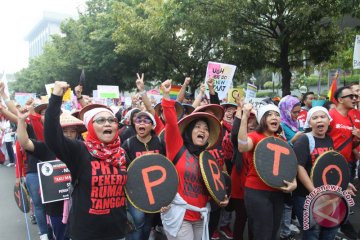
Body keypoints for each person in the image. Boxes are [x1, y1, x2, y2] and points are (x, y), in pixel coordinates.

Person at [44, 81, 129, 240]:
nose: (107, 123)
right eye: (101, 120)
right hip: (86, 233)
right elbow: (51, 136)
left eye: (111, 120)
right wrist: (55, 98)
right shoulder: (79, 150)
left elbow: (137, 188)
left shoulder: (123, 153)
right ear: (90, 126)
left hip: (117, 232)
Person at [160, 79, 228, 240]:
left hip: (201, 216)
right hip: (179, 215)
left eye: (206, 129)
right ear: (189, 130)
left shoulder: (208, 158)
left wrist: (222, 197)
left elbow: (215, 184)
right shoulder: (177, 147)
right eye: (198, 127)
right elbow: (170, 122)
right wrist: (166, 95)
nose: (202, 131)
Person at [292, 106, 356, 240]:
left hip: (329, 197)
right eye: (315, 118)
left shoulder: (329, 139)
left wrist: (344, 183)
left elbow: (330, 167)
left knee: (330, 231)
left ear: (328, 120)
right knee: (312, 234)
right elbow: (299, 167)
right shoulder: (304, 140)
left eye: (322, 117)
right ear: (309, 122)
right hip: (305, 197)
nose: (319, 120)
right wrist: (314, 192)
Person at [237, 103, 297, 240]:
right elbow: (242, 146)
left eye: (277, 114)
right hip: (257, 192)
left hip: (277, 192)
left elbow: (288, 165)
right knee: (262, 233)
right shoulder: (254, 136)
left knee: (272, 232)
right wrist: (245, 116)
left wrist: (293, 183)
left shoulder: (281, 140)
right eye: (269, 114)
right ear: (262, 119)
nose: (274, 117)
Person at [121, 111, 165, 240]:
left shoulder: (160, 142)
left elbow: (167, 165)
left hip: (155, 191)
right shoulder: (128, 144)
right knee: (138, 221)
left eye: (146, 121)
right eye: (138, 121)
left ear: (152, 126)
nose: (141, 123)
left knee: (148, 223)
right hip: (136, 191)